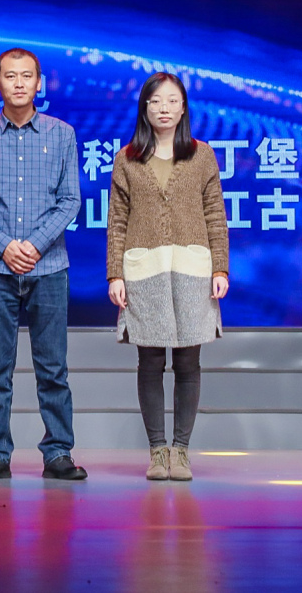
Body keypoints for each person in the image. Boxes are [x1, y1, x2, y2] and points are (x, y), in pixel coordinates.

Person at [0, 47, 86, 481]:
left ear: (39, 83)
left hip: (49, 268)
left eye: (26, 75)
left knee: (53, 369)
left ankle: (58, 452)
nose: (18, 83)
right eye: (10, 76)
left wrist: (32, 245)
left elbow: (70, 200)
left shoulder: (62, 134)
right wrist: (5, 246)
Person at [106, 71, 230, 482]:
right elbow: (117, 221)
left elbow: (215, 214)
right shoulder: (127, 158)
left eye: (172, 101)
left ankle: (182, 450)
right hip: (144, 270)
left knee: (189, 361)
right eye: (156, 101)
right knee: (150, 360)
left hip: (193, 269)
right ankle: (157, 451)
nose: (164, 108)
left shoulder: (202, 155)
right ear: (144, 108)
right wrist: (115, 274)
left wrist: (220, 267)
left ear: (183, 108)